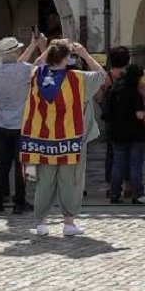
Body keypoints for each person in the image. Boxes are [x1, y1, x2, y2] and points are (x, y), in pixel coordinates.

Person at [25, 41, 108, 235]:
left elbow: (37, 62)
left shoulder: (37, 75)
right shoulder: (76, 78)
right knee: (70, 180)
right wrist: (85, 54)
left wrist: (47, 47)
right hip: (70, 138)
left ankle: (41, 223)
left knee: (44, 180)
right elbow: (101, 75)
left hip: (43, 138)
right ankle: (69, 223)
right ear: (66, 58)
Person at [0, 35, 45, 215]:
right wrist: (39, 45)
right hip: (23, 124)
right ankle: (20, 201)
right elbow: (40, 65)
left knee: (3, 164)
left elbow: (17, 63)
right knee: (23, 164)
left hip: (3, 124)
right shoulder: (25, 70)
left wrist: (31, 45)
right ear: (15, 52)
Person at [102, 47, 145, 205]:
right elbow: (139, 115)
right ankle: (138, 194)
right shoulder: (134, 92)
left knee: (118, 164)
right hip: (134, 134)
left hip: (117, 132)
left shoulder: (114, 89)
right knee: (135, 164)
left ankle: (115, 194)